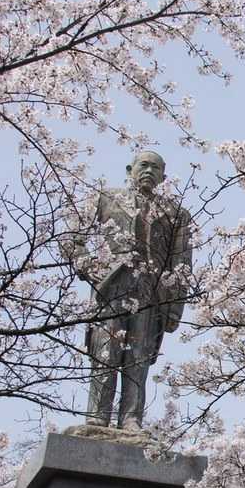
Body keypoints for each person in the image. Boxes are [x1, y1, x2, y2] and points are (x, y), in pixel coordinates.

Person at [72, 150, 192, 430]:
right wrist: (90, 267)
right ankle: (97, 416)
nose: (149, 171)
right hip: (111, 286)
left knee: (139, 358)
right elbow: (73, 237)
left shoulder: (177, 215)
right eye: (144, 165)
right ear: (131, 169)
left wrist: (175, 306)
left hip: (151, 293)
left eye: (156, 168)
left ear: (164, 176)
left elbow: (182, 261)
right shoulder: (105, 197)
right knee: (105, 351)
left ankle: (131, 418)